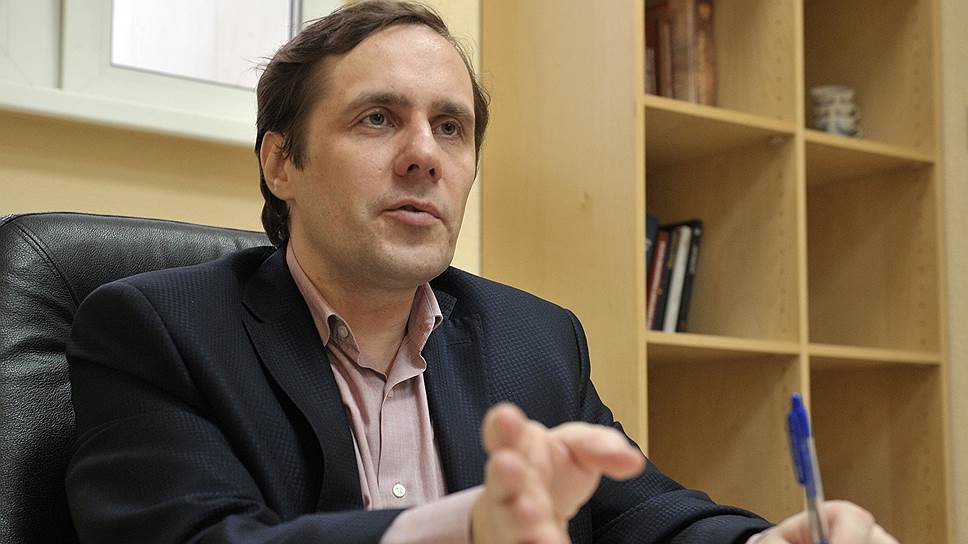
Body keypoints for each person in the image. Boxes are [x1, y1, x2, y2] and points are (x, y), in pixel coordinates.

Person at [65, 2, 898, 543]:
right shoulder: (157, 331)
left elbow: (641, 514)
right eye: (378, 118)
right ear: (281, 162)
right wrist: (464, 530)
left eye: (451, 127)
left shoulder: (534, 338)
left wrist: (762, 541)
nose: (424, 155)